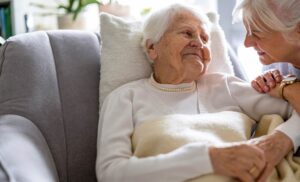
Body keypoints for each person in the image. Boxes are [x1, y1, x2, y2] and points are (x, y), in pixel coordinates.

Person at [96, 4, 300, 182]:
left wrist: (282, 137)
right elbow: (110, 173)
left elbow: (297, 108)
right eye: (187, 33)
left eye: (204, 38)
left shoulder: (224, 85)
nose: (199, 43)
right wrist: (207, 160)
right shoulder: (125, 98)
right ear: (152, 48)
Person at [233, 0, 300, 114]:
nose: (246, 43)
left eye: (257, 33)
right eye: (247, 31)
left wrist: (286, 88)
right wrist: (265, 85)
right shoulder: (275, 62)